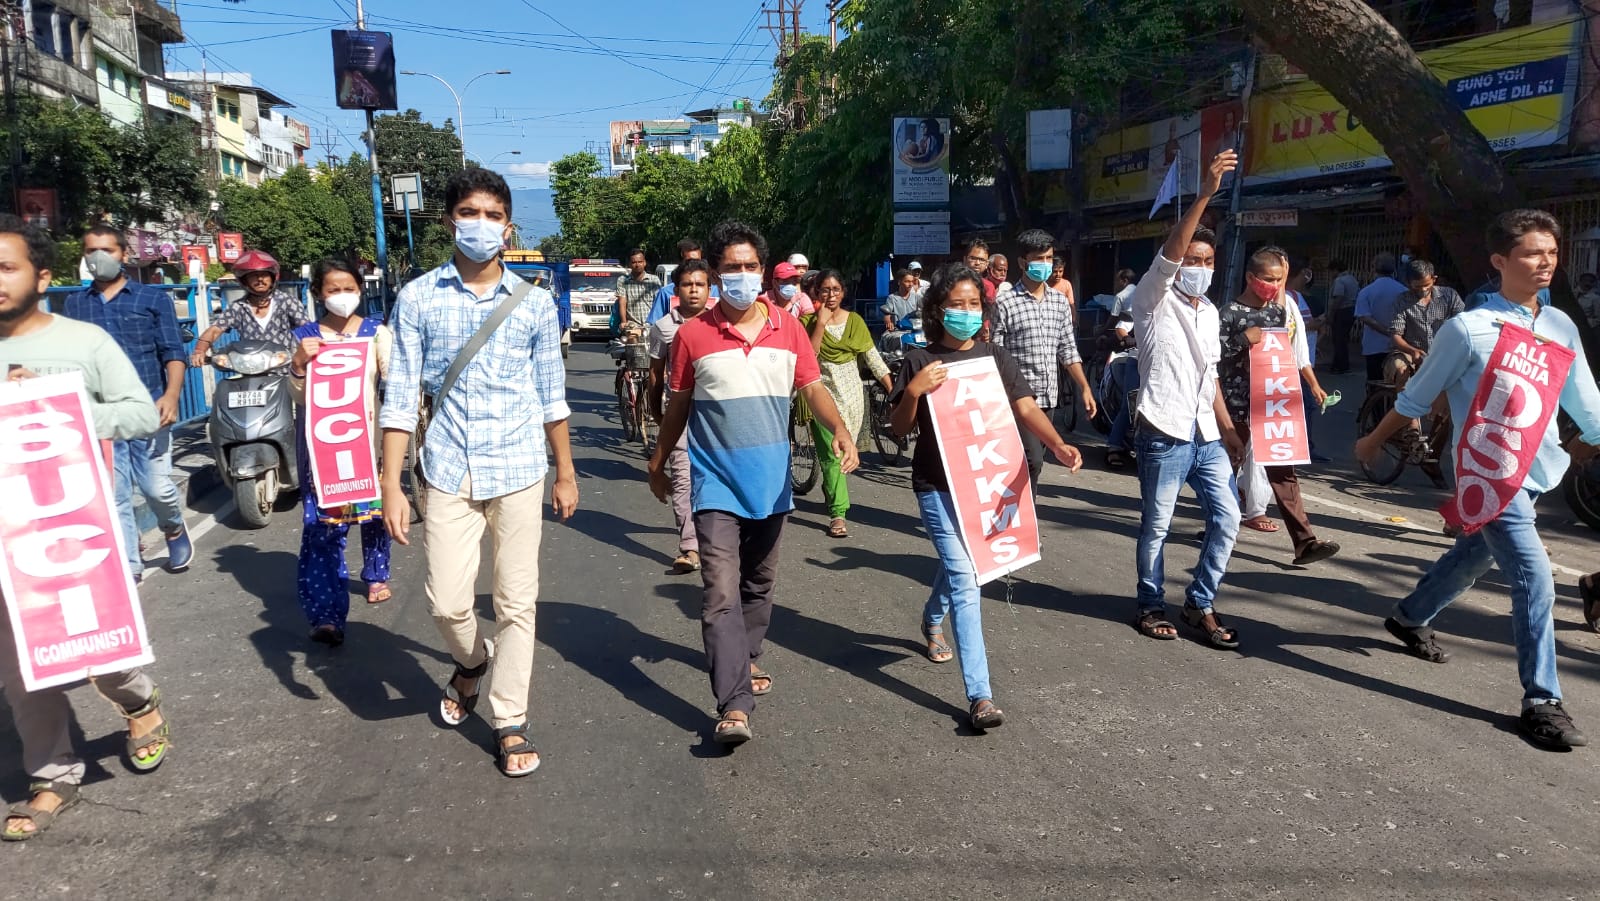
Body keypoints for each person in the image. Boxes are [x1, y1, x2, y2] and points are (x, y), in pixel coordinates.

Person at [1356, 209, 1600, 751]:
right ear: (1499, 261)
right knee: (1533, 576)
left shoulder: (1559, 326)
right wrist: (1373, 441)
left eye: (1552, 253)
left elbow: (1585, 399)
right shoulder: (1467, 329)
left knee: (1474, 556)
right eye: (1533, 254)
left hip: (1536, 472)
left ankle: (1409, 615)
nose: (1546, 263)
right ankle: (1543, 701)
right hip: (1488, 480)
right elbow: (1417, 397)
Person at [379, 168, 578, 777]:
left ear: (509, 226)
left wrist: (565, 471)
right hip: (446, 468)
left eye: (494, 215)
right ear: (449, 221)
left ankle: (511, 719)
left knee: (518, 602)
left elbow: (551, 394)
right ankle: (470, 664)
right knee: (445, 601)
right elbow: (398, 394)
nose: (482, 225)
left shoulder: (535, 302)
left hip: (520, 467)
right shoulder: (417, 297)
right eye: (471, 212)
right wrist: (390, 483)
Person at [646, 219, 859, 746]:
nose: (741, 275)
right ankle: (734, 703)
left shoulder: (788, 328)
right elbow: (679, 406)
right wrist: (658, 459)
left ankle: (749, 654)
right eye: (730, 268)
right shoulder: (693, 336)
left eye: (749, 266)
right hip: (714, 483)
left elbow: (811, 388)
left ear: (762, 272)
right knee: (719, 593)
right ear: (716, 275)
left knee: (758, 587)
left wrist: (840, 429)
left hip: (771, 484)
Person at [0, 214, 171, 841]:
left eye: (6, 266)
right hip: (5, 540)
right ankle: (52, 776)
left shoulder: (82, 343)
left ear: (41, 277)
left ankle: (138, 700)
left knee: (98, 649)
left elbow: (136, 413)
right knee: (21, 662)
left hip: (69, 526)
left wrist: (55, 401)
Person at [890, 262, 1083, 730]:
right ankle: (980, 696)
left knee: (964, 570)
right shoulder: (919, 360)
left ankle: (931, 620)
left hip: (982, 485)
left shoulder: (995, 357)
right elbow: (897, 429)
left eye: (974, 304)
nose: (966, 312)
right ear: (937, 309)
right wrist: (914, 392)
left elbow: (1023, 405)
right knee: (966, 577)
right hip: (937, 486)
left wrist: (1056, 442)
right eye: (956, 304)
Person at [1128, 150, 1246, 649]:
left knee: (1230, 517)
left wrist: (1229, 428)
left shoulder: (1210, 313)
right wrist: (1204, 195)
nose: (1197, 267)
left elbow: (1208, 376)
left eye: (1207, 261)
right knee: (1158, 524)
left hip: (1205, 434)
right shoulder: (1152, 298)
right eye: (1191, 260)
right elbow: (1171, 256)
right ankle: (1150, 603)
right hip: (1163, 431)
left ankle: (1200, 601)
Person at [63, 225, 193, 583]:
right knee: (116, 492)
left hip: (149, 407)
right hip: (101, 414)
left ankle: (173, 527)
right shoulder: (75, 304)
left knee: (155, 486)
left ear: (124, 254)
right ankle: (131, 563)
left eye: (107, 249)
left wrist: (172, 395)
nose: (98, 257)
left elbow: (172, 351)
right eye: (91, 251)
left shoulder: (152, 299)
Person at [287, 259, 393, 646]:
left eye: (348, 288)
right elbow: (297, 398)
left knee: (373, 516)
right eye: (333, 290)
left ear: (360, 290)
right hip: (322, 450)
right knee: (322, 528)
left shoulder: (376, 334)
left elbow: (393, 386)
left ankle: (376, 572)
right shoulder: (304, 337)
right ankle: (326, 613)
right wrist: (299, 365)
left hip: (368, 443)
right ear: (318, 293)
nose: (342, 296)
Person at [1219, 247, 1340, 565]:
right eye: (1268, 279)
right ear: (1250, 278)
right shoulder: (1229, 313)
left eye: (1278, 280)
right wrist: (1243, 339)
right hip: (1236, 406)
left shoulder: (1279, 313)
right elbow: (1212, 356)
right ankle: (1219, 528)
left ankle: (1305, 542)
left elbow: (1293, 353)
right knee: (1225, 471)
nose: (1274, 285)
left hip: (1273, 405)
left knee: (1284, 474)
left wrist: (1311, 384)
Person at [990, 228, 1095, 488]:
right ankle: (1021, 516)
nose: (1046, 264)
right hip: (1018, 398)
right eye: (1039, 259)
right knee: (1032, 459)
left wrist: (1084, 387)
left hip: (1048, 397)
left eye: (1049, 258)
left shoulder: (1059, 302)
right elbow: (996, 351)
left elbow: (1068, 349)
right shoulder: (1005, 303)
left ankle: (1019, 513)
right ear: (1023, 262)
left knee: (1034, 461)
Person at [802, 269, 893, 538]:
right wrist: (819, 324)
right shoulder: (806, 322)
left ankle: (833, 495)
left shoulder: (854, 321)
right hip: (820, 397)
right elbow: (808, 357)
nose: (830, 296)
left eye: (836, 290)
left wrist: (893, 390)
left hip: (852, 396)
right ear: (816, 293)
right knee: (833, 456)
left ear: (843, 292)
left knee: (844, 454)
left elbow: (873, 358)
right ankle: (838, 513)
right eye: (824, 290)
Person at [647, 259, 714, 574]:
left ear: (709, 289)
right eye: (688, 285)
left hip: (718, 415)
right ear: (676, 290)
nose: (694, 291)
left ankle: (721, 542)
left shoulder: (721, 323)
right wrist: (657, 413)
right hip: (680, 413)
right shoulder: (663, 327)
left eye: (700, 284)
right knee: (684, 479)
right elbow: (655, 375)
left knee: (714, 480)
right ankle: (689, 547)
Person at [189, 249, 308, 370]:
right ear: (244, 280)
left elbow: (306, 328)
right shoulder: (237, 308)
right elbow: (215, 330)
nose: (260, 279)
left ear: (272, 277)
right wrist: (199, 350)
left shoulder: (288, 302)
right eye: (254, 276)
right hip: (250, 370)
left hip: (286, 371)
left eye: (264, 275)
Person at [1388, 259, 1464, 387]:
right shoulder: (1401, 301)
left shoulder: (1449, 295)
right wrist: (1413, 351)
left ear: (1434, 279)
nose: (1423, 290)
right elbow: (1396, 335)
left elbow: (1462, 322)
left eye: (1426, 285)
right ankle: (1402, 406)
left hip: (1443, 351)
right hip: (1410, 352)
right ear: (1408, 283)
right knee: (1401, 370)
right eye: (1417, 286)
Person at [1284, 259, 1331, 463]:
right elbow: (1302, 327)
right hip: (1294, 363)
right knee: (1305, 406)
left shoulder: (1296, 297)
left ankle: (1302, 446)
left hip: (1304, 361)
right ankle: (1302, 447)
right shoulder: (1288, 297)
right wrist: (1318, 323)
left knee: (1305, 406)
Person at [1354, 253, 1408, 385]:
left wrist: (1386, 332)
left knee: (1375, 382)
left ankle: (1374, 405)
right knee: (1398, 383)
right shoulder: (1404, 291)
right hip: (1400, 345)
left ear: (1374, 268)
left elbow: (1364, 317)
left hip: (1374, 345)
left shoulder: (1366, 291)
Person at [645, 238, 717, 325]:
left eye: (698, 261)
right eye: (689, 261)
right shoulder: (665, 293)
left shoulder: (717, 291)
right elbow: (654, 325)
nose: (694, 265)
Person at [615, 248, 661, 332]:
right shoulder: (623, 280)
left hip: (651, 325)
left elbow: (658, 303)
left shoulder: (654, 280)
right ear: (629, 264)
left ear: (644, 263)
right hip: (632, 325)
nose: (637, 265)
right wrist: (623, 322)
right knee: (631, 344)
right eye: (634, 262)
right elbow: (622, 302)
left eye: (640, 262)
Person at [1327, 260, 1360, 374]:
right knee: (1343, 339)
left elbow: (1338, 298)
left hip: (1342, 311)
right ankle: (1338, 364)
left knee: (1338, 339)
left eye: (1331, 271)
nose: (1331, 274)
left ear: (1336, 270)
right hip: (1351, 311)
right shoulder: (1352, 279)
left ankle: (1341, 366)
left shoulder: (1340, 280)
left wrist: (1331, 314)